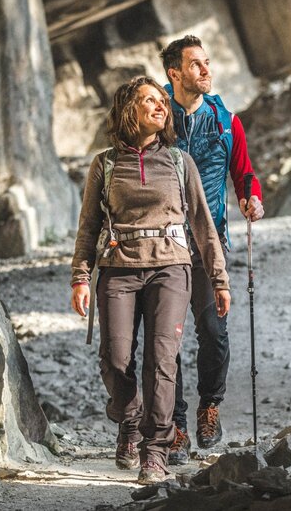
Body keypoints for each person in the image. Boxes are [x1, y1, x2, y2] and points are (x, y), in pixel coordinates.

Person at [70, 76, 230, 483]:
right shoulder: (105, 165)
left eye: (162, 101)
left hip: (170, 270)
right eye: (150, 101)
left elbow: (202, 225)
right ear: (129, 110)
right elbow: (88, 226)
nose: (161, 107)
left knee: (161, 362)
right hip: (118, 269)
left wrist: (218, 278)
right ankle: (129, 418)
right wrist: (80, 277)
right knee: (114, 359)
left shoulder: (179, 162)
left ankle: (154, 451)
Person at [159, 35, 265, 462]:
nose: (206, 71)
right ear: (174, 73)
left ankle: (210, 406)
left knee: (214, 335)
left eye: (207, 63)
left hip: (210, 243)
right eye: (196, 65)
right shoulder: (155, 114)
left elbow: (245, 174)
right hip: (162, 246)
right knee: (167, 340)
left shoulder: (225, 119)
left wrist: (251, 197)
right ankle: (176, 427)